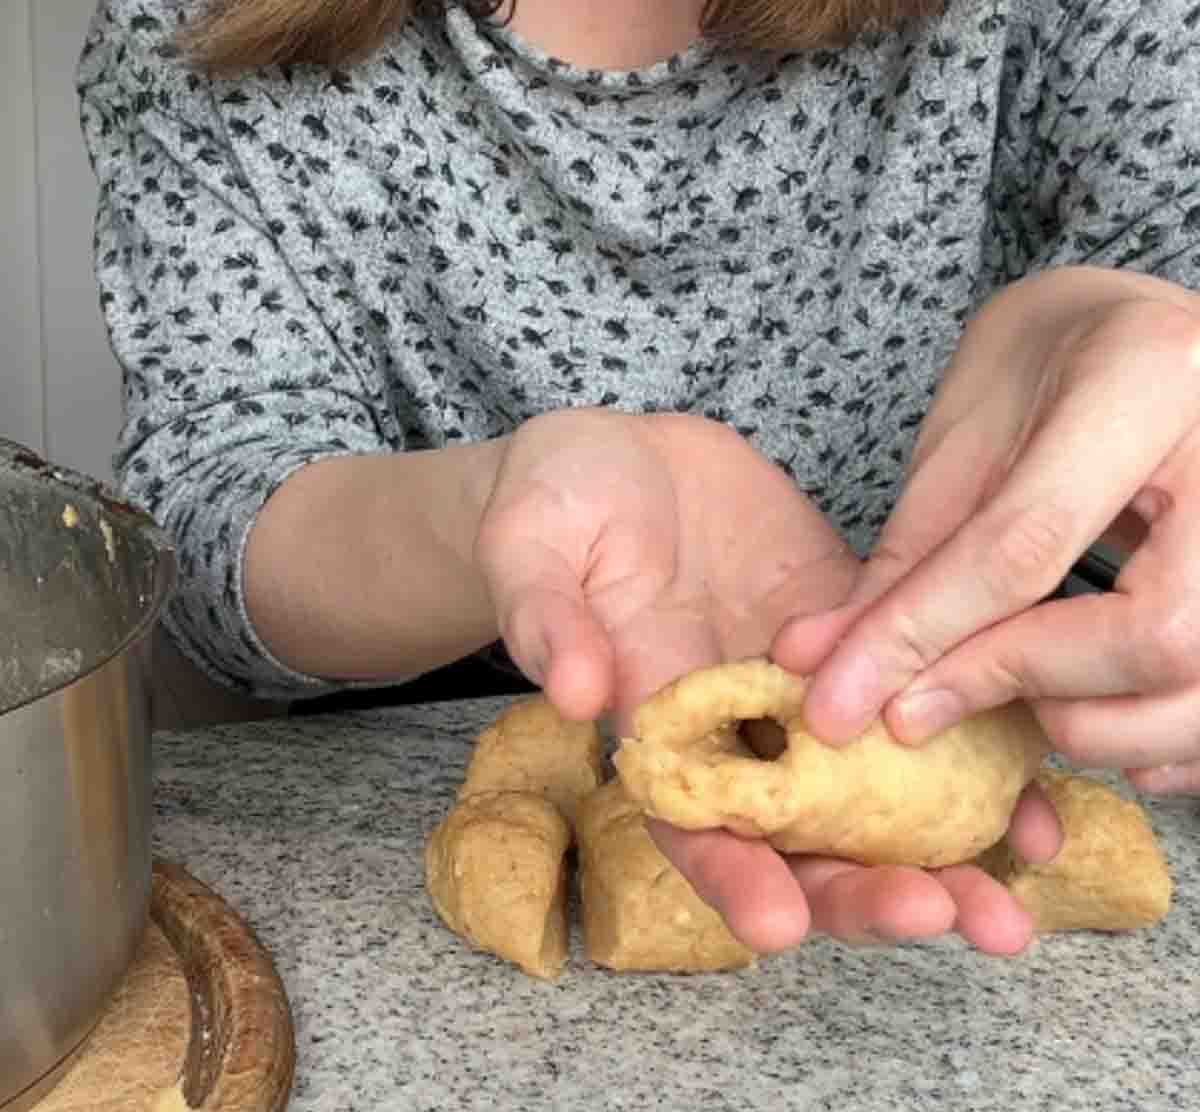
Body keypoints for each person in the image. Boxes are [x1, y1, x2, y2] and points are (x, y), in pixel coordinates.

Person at [78, 0, 1200, 958]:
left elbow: (1172, 261)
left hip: (985, 708)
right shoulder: (205, 22)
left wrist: (1144, 334)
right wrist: (491, 512)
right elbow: (211, 514)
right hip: (390, 764)